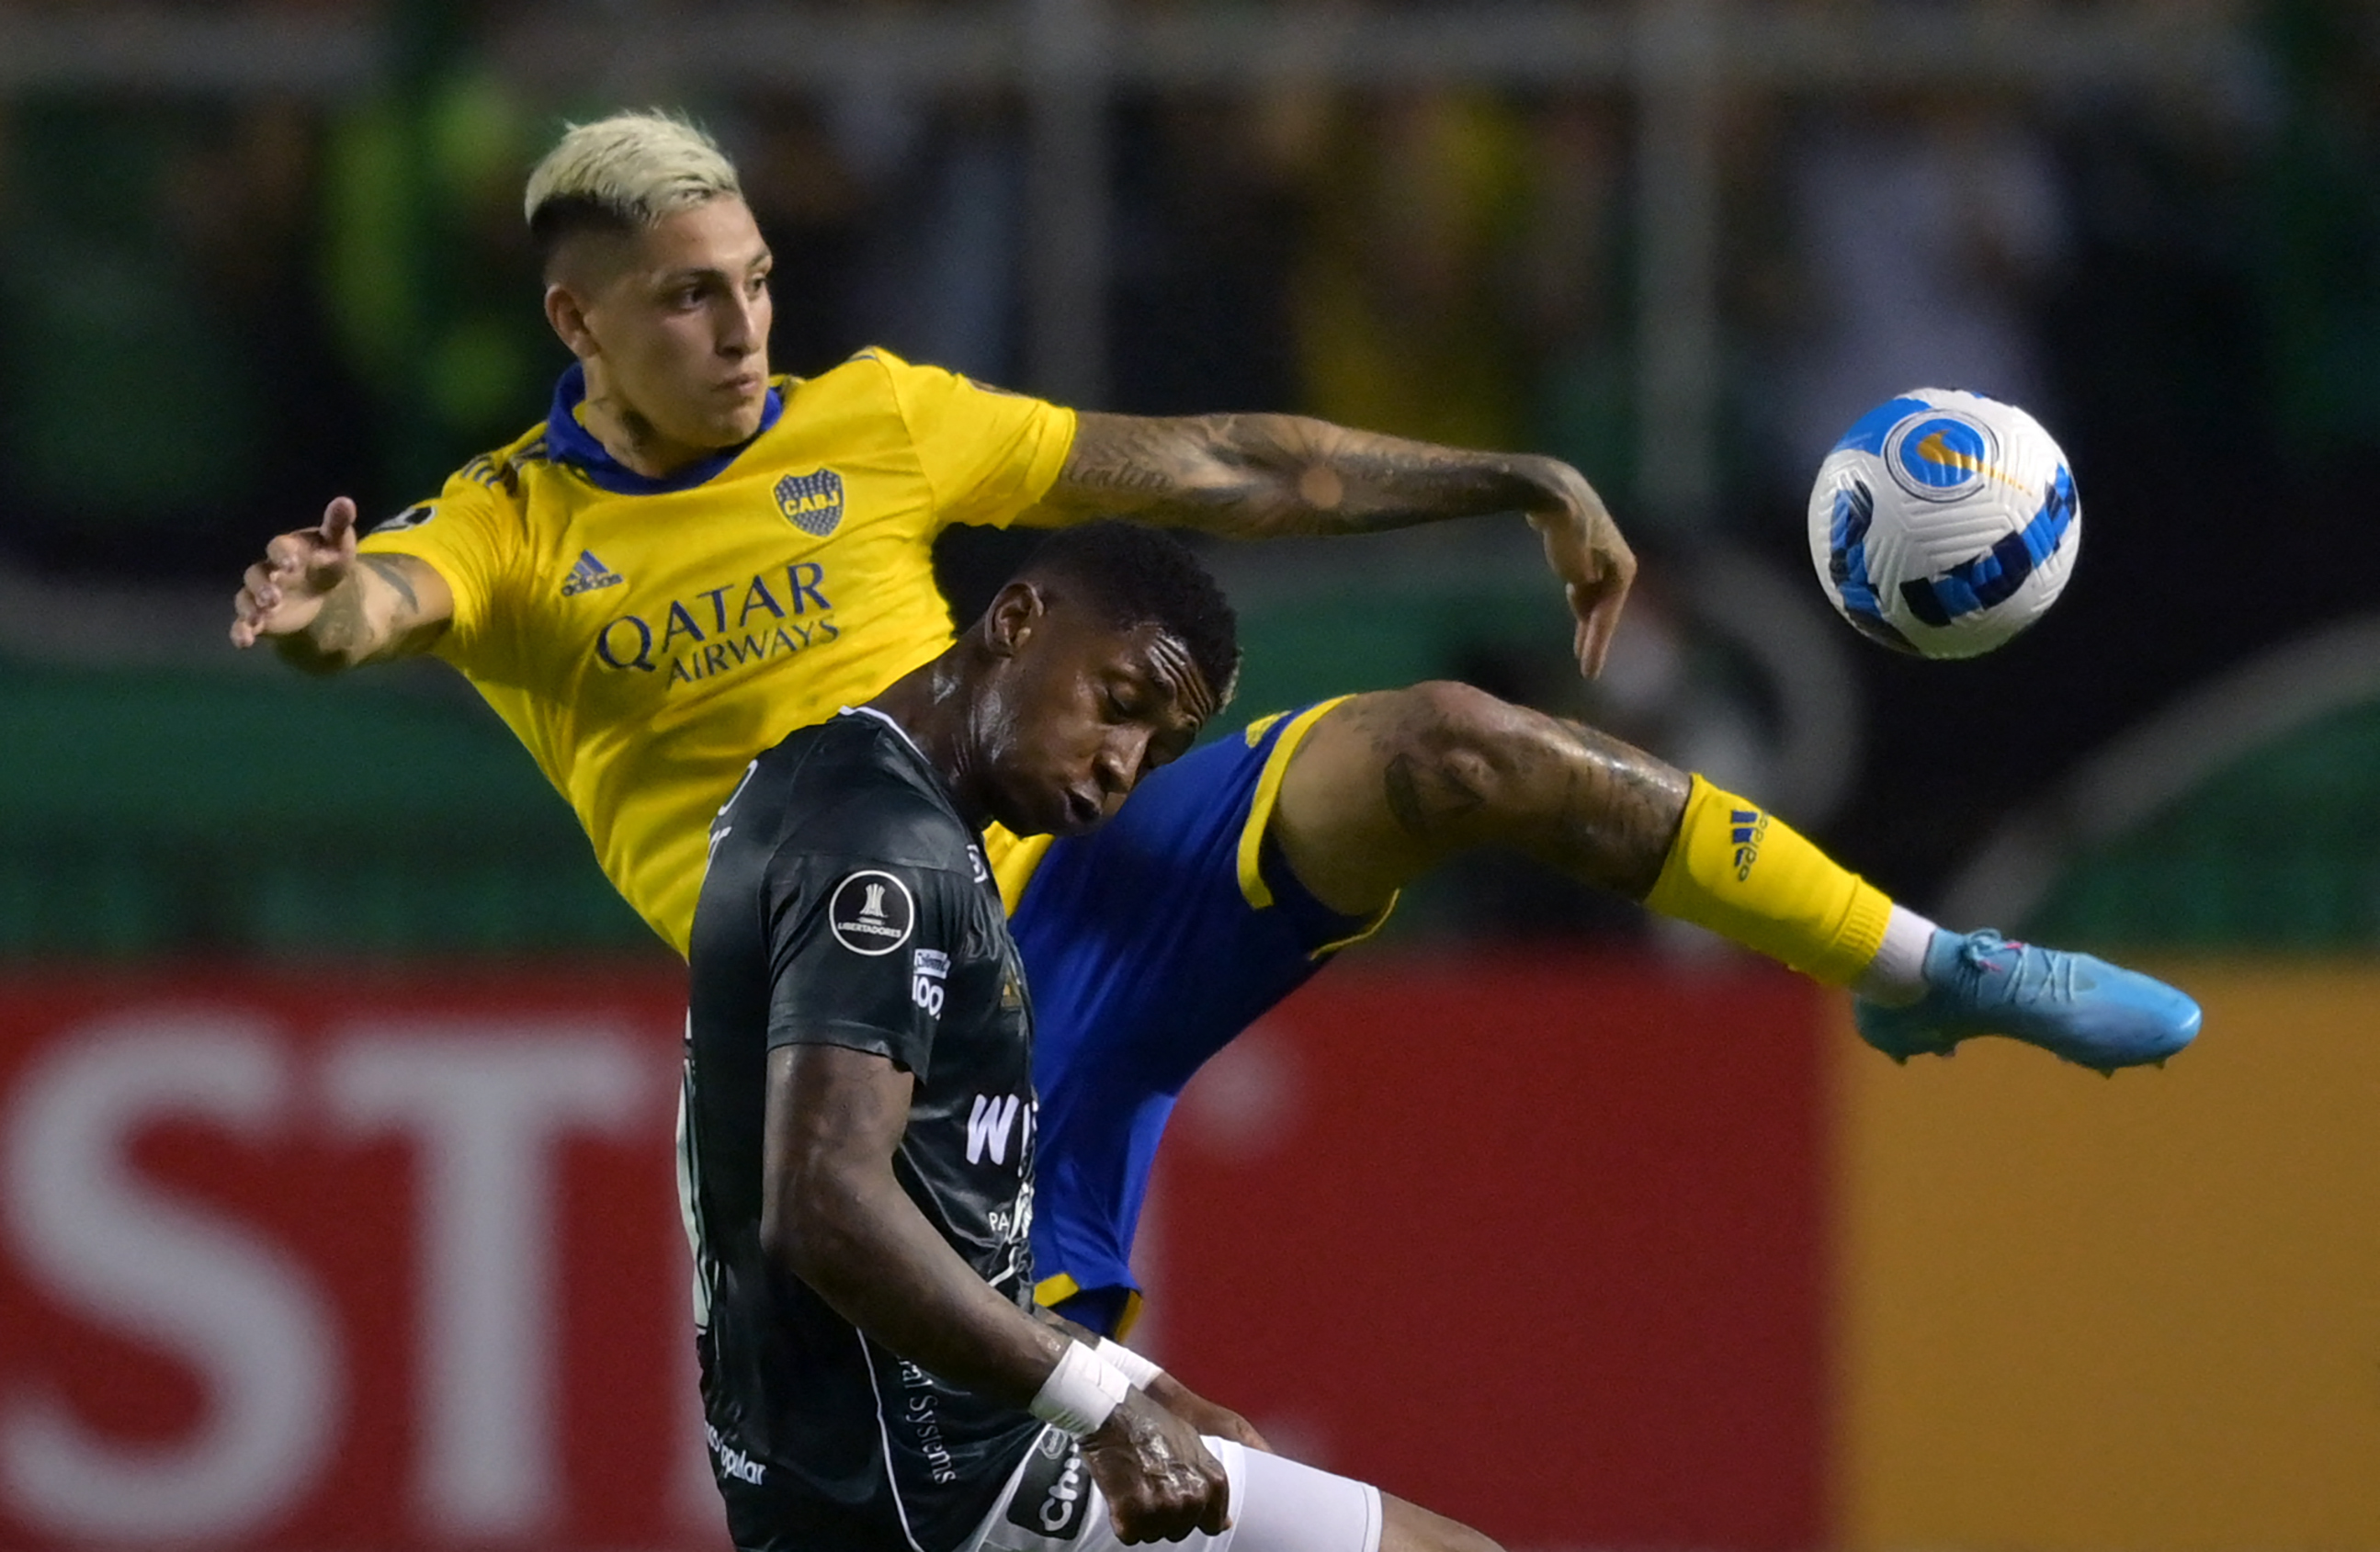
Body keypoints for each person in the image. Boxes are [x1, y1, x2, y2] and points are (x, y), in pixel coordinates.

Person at [229, 112, 2200, 1339]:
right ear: (578, 325)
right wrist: (325, 608)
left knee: (1450, 742)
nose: (744, 330)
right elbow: (381, 607)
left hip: (1085, 873)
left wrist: (1508, 474)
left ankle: (1925, 964)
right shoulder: (503, 524)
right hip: (896, 1044)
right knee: (1139, 1472)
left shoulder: (874, 417)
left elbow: (1224, 461)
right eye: (685, 301)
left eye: (752, 283)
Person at [686, 519, 1490, 1552]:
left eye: (1158, 751)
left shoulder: (818, 783)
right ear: (1016, 621)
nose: (1120, 767)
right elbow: (823, 1205)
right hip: (946, 1493)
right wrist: (1101, 1412)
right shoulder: (891, 849)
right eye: (1117, 707)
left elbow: (919, 1225)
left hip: (850, 1484)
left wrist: (1143, 1383)